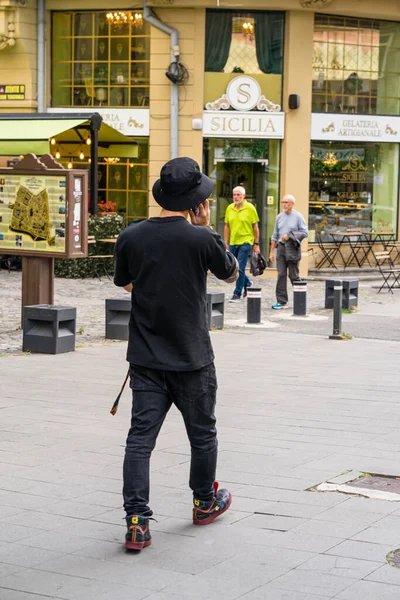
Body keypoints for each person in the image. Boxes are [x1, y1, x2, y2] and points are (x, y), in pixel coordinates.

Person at [113, 157, 238, 551]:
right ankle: (204, 502)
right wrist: (206, 231)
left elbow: (126, 284)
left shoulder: (131, 236)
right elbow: (231, 274)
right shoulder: (202, 239)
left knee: (139, 441)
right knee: (202, 437)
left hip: (147, 359)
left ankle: (136, 522)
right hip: (192, 359)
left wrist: (153, 290)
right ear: (196, 203)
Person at [269, 194, 308, 310]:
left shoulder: (298, 217)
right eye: (283, 202)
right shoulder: (279, 217)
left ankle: (300, 300)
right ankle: (281, 301)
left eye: (286, 202)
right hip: (280, 247)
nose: (284, 205)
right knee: (281, 274)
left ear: (292, 204)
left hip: (292, 248)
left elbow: (305, 233)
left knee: (293, 275)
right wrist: (271, 252)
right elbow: (274, 235)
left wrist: (290, 236)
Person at [224, 186, 260, 302]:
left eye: (238, 195)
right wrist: (225, 243)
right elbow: (227, 226)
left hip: (246, 241)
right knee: (233, 268)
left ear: (244, 196)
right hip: (233, 241)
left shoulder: (250, 208)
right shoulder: (230, 208)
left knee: (240, 267)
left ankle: (237, 294)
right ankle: (247, 282)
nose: (236, 197)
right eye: (234, 194)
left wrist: (256, 243)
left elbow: (255, 227)